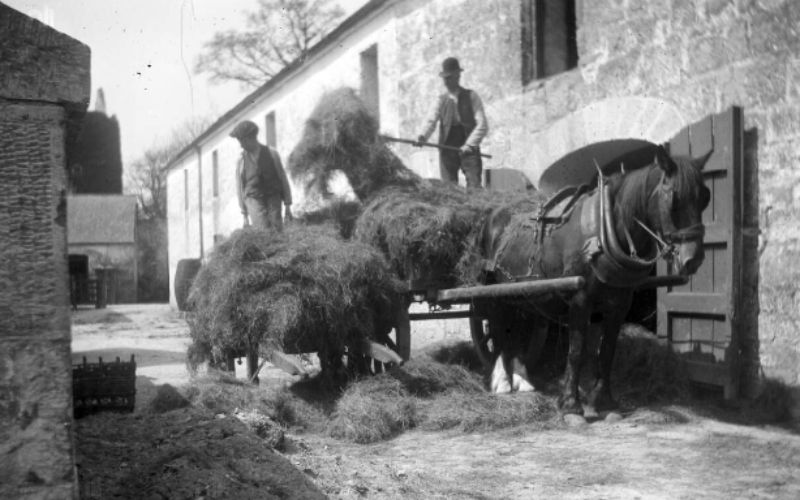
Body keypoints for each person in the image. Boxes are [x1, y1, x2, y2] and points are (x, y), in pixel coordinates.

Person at [417, 57, 489, 188]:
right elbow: (431, 121)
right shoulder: (440, 100)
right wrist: (423, 136)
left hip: (469, 143)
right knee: (449, 189)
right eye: (444, 78)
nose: (446, 82)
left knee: (474, 186)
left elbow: (482, 125)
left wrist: (470, 145)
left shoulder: (471, 96)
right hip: (447, 146)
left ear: (458, 75)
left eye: (449, 77)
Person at [230, 120, 293, 230]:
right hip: (253, 199)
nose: (241, 145)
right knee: (262, 231)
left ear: (250, 138)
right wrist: (244, 214)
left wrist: (287, 204)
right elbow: (240, 188)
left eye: (242, 141)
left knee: (276, 229)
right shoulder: (241, 161)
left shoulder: (272, 153)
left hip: (273, 197)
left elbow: (282, 178)